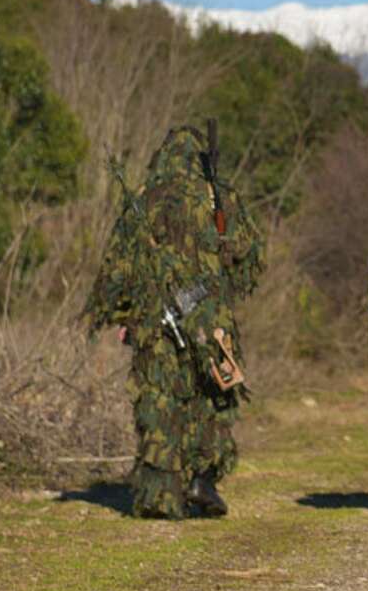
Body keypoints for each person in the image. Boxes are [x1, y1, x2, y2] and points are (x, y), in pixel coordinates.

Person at [84, 123, 263, 519]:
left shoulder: (145, 201)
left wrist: (124, 315)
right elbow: (247, 260)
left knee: (160, 404)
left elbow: (118, 268)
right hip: (209, 319)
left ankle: (161, 495)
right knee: (212, 399)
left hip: (153, 321)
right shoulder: (220, 197)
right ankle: (201, 479)